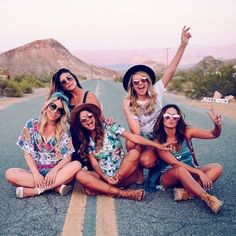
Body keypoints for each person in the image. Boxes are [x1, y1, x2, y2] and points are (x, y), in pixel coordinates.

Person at [122, 26, 192, 183]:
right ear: (132, 86)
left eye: (143, 80)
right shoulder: (132, 103)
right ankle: (137, 170)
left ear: (148, 81)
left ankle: (154, 163)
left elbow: (171, 69)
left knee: (146, 161)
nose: (140, 84)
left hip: (158, 137)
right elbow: (136, 131)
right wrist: (126, 109)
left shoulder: (157, 90)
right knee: (131, 140)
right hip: (142, 139)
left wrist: (183, 45)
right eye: (136, 82)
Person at [70, 103, 173, 201]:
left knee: (134, 153)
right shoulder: (86, 140)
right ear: (82, 125)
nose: (88, 120)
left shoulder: (109, 126)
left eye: (90, 116)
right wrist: (105, 178)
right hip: (104, 177)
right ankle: (123, 193)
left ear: (95, 116)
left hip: (123, 174)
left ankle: (101, 188)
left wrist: (158, 145)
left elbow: (134, 137)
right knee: (80, 175)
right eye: (83, 120)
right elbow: (95, 164)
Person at [148, 104, 223, 213]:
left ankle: (186, 192)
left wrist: (217, 126)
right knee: (180, 170)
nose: (171, 119)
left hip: (189, 171)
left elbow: (213, 134)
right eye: (167, 116)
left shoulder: (187, 131)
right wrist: (199, 172)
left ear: (179, 119)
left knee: (217, 167)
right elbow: (175, 164)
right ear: (162, 118)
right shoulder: (158, 141)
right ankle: (208, 199)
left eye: (175, 117)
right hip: (168, 176)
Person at [5, 91, 81, 198]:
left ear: (63, 114)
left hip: (56, 173)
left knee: (76, 165)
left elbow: (68, 157)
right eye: (53, 106)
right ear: (47, 105)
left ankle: (37, 190)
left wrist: (54, 171)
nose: (55, 111)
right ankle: (56, 187)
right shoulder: (31, 124)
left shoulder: (64, 130)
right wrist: (36, 173)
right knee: (10, 174)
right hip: (36, 172)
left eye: (60, 110)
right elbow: (27, 153)